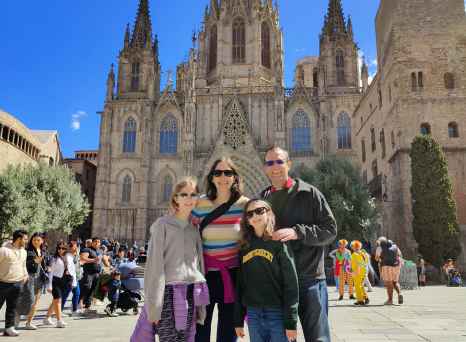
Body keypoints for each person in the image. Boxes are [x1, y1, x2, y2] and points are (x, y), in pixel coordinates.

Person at [260, 146, 337, 342]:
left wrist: (297, 232)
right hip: (277, 283)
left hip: (308, 278)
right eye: (270, 163)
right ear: (264, 168)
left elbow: (330, 230)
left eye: (279, 161)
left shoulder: (309, 193)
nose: (275, 167)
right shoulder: (262, 200)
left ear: (289, 164)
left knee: (318, 337)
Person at [133, 177, 209, 342]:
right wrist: (154, 306)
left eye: (193, 194)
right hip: (167, 294)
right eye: (184, 194)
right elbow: (154, 266)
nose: (189, 199)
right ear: (175, 198)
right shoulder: (162, 225)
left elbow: (199, 266)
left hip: (190, 292)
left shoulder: (193, 230)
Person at [192, 158, 249, 342]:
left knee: (227, 334)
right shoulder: (199, 204)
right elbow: (184, 232)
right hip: (204, 276)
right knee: (200, 332)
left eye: (228, 173)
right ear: (211, 177)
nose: (222, 177)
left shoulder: (245, 205)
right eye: (217, 173)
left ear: (235, 178)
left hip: (232, 277)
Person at [234, 199, 298, 342]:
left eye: (259, 211)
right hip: (253, 313)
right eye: (250, 214)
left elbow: (291, 284)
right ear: (247, 220)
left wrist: (291, 322)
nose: (255, 216)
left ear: (268, 213)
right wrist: (238, 320)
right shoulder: (245, 247)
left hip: (277, 312)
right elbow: (241, 285)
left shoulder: (279, 243)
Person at [0, 229, 28, 337]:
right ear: (19, 239)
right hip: (2, 284)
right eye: (25, 239)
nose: (26, 241)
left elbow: (23, 265)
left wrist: (25, 275)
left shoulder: (24, 252)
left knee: (12, 307)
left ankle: (9, 328)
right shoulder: (3, 250)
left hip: (17, 284)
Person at [43, 241, 76, 328]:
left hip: (66, 280)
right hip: (56, 281)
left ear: (66, 249)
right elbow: (51, 273)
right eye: (59, 248)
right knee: (58, 300)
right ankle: (59, 321)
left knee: (55, 301)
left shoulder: (69, 257)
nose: (61, 250)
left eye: (63, 248)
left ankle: (47, 318)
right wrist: (49, 285)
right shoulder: (54, 259)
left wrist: (74, 281)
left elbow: (72, 269)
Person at [22, 232, 46, 330]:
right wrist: (33, 261)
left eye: (38, 240)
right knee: (30, 301)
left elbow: (43, 264)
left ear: (42, 241)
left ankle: (29, 322)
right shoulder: (28, 251)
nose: (36, 241)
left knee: (36, 302)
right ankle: (18, 317)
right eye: (34, 240)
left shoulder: (42, 250)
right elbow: (23, 264)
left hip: (39, 278)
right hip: (30, 277)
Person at [375, 237, 404, 305]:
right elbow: (400, 255)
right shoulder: (395, 246)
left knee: (389, 284)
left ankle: (390, 300)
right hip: (396, 265)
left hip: (386, 266)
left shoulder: (379, 248)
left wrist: (380, 259)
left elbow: (376, 258)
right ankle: (400, 293)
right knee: (395, 282)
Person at [79, 237, 102, 314]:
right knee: (86, 287)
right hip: (88, 273)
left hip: (96, 273)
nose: (97, 243)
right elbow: (83, 258)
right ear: (92, 242)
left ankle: (87, 307)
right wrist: (94, 260)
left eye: (98, 242)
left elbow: (101, 260)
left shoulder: (98, 251)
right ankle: (78, 304)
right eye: (95, 241)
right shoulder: (87, 249)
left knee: (92, 290)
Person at [61, 240, 82, 316]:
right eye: (75, 246)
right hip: (69, 277)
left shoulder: (76, 254)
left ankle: (74, 310)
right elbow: (69, 265)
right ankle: (60, 310)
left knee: (77, 293)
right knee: (65, 294)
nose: (76, 247)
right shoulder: (67, 255)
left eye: (76, 245)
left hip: (76, 277)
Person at [350, 240, 369, 306]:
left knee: (357, 286)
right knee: (361, 286)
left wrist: (354, 272)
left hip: (357, 272)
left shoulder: (354, 255)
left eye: (352, 246)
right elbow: (365, 263)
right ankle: (365, 297)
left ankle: (360, 300)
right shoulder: (363, 253)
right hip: (363, 271)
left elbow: (356, 264)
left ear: (354, 247)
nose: (351, 247)